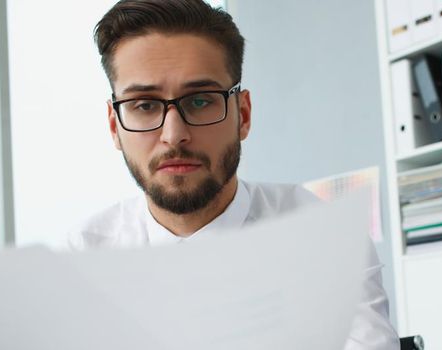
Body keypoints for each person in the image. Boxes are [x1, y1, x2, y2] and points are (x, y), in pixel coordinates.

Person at [68, 1, 399, 349]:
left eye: (200, 101)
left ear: (242, 114)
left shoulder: (325, 239)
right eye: (145, 105)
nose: (173, 134)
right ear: (113, 126)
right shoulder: (83, 262)